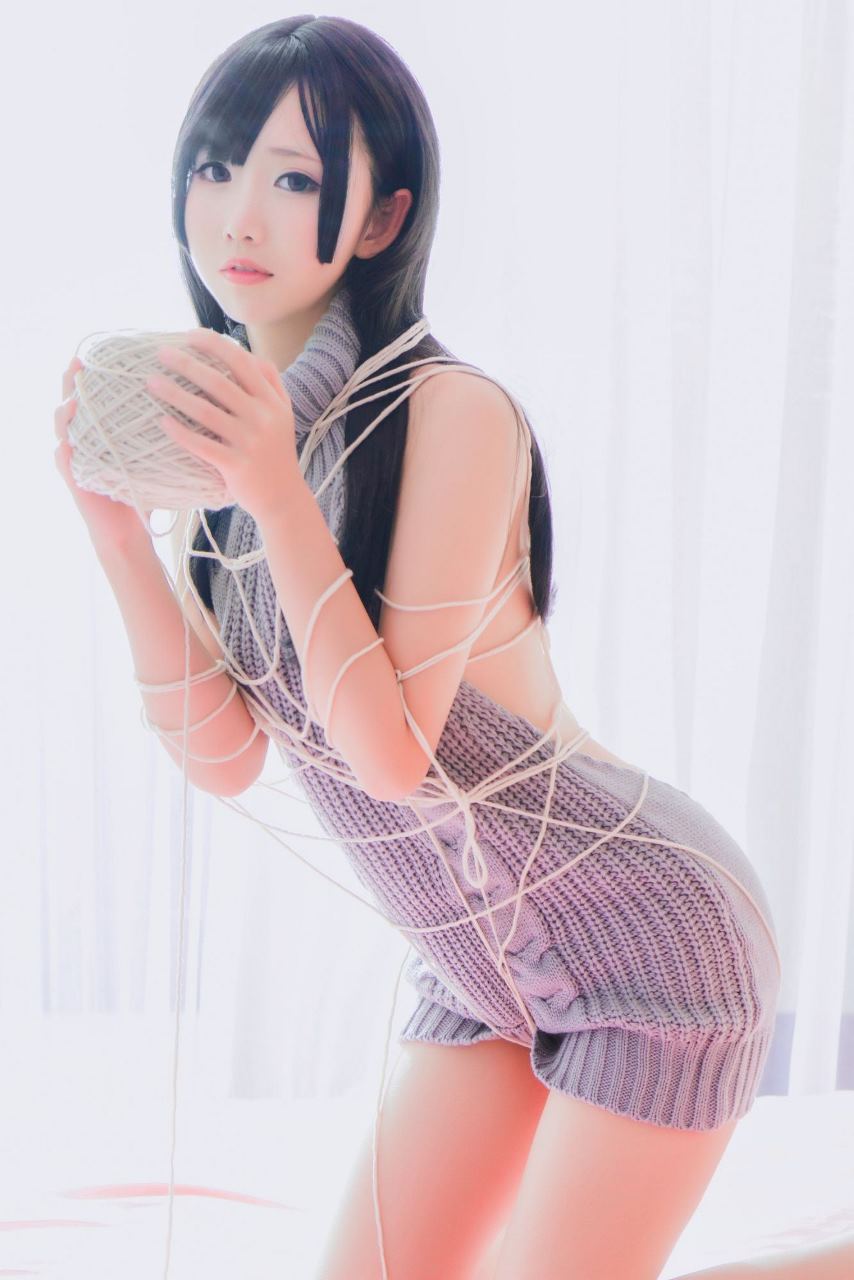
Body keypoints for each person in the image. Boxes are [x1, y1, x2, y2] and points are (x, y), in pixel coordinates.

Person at [52, 15, 854, 1280]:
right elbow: (222, 757)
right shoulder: (234, 461)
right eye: (213, 167)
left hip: (648, 942)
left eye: (294, 179)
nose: (239, 215)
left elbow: (389, 755)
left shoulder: (451, 411)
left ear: (382, 218)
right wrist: (116, 531)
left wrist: (272, 490)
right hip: (477, 969)